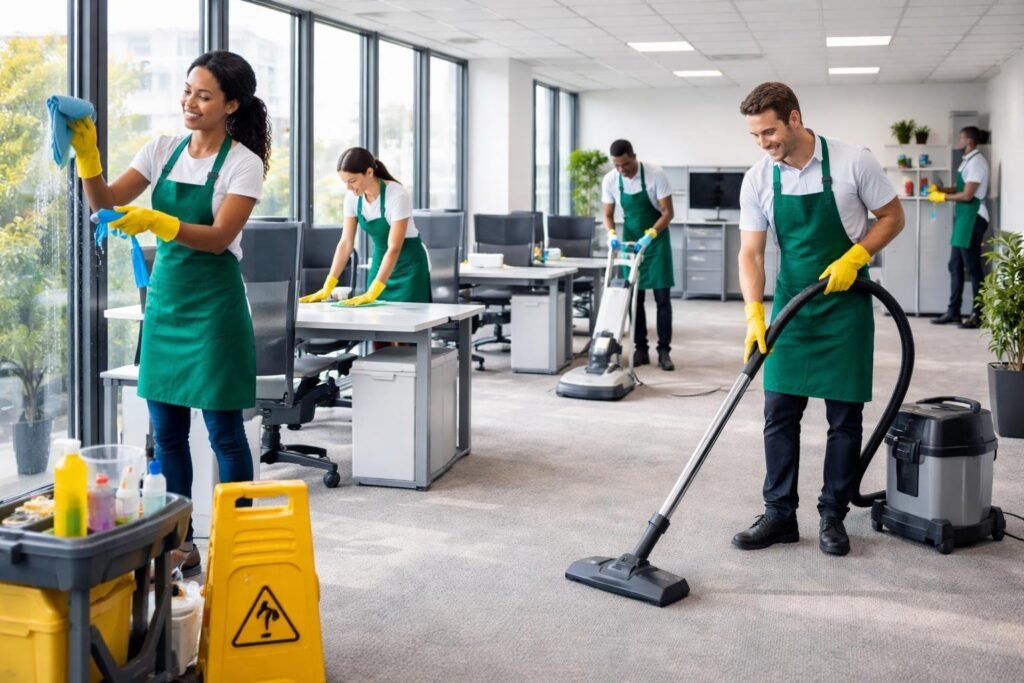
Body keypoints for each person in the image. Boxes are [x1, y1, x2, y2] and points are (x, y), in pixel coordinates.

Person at [72, 50, 269, 576]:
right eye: (188, 91)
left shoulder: (242, 163)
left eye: (204, 95)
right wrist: (89, 160)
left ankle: (238, 539)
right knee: (168, 436)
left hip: (215, 313)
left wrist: (160, 222)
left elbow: (221, 235)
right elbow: (106, 204)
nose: (190, 102)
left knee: (225, 434)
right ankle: (178, 542)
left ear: (232, 103)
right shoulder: (161, 148)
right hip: (166, 308)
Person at [733, 82, 905, 556]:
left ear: (794, 119)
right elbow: (751, 253)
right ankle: (779, 515)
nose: (763, 143)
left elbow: (892, 216)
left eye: (768, 132)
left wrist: (856, 256)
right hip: (793, 307)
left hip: (846, 306)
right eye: (754, 136)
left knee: (844, 418)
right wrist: (754, 312)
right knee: (779, 414)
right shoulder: (758, 179)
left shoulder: (853, 162)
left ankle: (833, 514)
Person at [299, 147, 431, 306]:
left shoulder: (397, 195)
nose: (348, 187)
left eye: (352, 181)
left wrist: (374, 291)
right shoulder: (352, 198)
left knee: (410, 324)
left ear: (369, 172)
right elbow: (346, 243)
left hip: (409, 269)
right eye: (345, 182)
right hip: (379, 265)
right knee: (376, 323)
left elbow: (394, 248)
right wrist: (328, 285)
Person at [601, 139, 676, 371]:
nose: (622, 170)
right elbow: (608, 214)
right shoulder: (611, 179)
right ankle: (640, 349)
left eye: (626, 165)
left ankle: (664, 351)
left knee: (662, 298)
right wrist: (611, 234)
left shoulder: (655, 174)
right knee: (635, 298)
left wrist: (651, 234)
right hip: (631, 241)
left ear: (634, 156)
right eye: (617, 166)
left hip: (656, 240)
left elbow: (668, 212)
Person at [927, 126, 990, 329]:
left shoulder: (978, 163)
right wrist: (941, 188)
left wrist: (943, 197)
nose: (958, 141)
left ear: (969, 141)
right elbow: (960, 188)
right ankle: (954, 311)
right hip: (963, 218)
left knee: (972, 267)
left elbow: (968, 195)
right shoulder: (967, 161)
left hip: (974, 217)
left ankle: (978, 314)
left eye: (961, 138)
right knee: (955, 265)